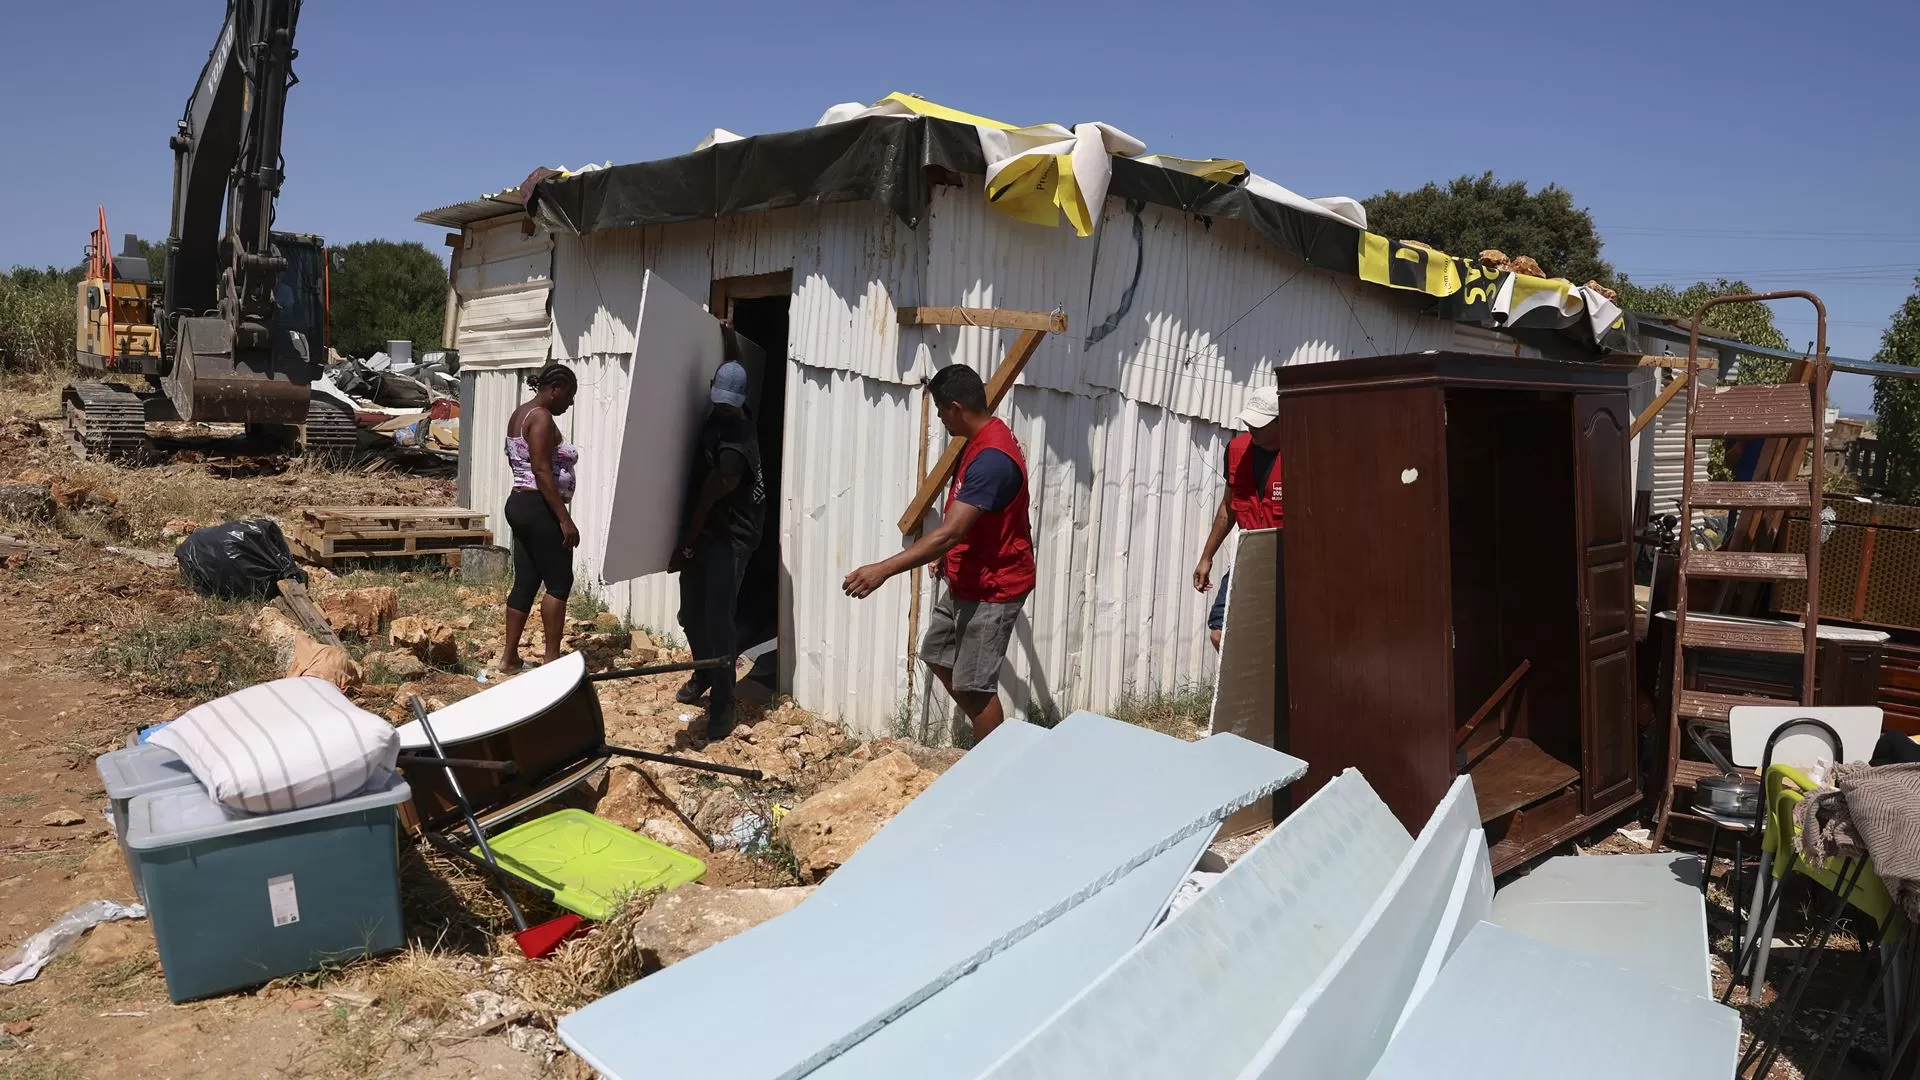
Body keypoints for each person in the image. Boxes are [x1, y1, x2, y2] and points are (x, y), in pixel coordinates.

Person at [844, 365, 1034, 743]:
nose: (941, 419)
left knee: (976, 688)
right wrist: (949, 551)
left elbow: (951, 531)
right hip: (970, 575)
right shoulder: (980, 439)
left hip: (993, 587)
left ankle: (992, 763)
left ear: (956, 408)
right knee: (937, 653)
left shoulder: (992, 458)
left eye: (941, 410)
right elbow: (970, 517)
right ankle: (989, 732)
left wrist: (883, 570)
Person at [671, 358, 766, 739]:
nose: (723, 408)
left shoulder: (733, 451)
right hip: (711, 529)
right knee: (689, 615)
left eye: (729, 404)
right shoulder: (732, 411)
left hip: (732, 537)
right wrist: (726, 341)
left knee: (718, 622)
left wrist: (685, 545)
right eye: (719, 400)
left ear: (740, 401)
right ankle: (705, 672)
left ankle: (724, 705)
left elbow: (706, 502)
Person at [502, 363, 580, 673]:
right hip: (539, 507)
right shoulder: (542, 418)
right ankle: (551, 662)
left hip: (521, 503)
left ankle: (509, 659)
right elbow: (541, 469)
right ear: (555, 389)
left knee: (526, 580)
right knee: (560, 582)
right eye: (569, 395)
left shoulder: (520, 413)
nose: (570, 403)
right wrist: (564, 519)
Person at [1193, 385, 1283, 650]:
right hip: (1250, 557)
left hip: (1287, 562)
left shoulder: (1303, 452)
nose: (1251, 428)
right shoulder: (1237, 449)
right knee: (1219, 633)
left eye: (1260, 424)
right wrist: (1206, 557)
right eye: (1250, 421)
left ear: (1281, 422)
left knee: (1281, 640)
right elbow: (1229, 507)